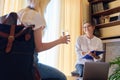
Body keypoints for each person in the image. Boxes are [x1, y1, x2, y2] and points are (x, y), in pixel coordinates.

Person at [17, 0, 70, 80]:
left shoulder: (19, 13)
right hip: (29, 64)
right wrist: (60, 41)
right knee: (61, 77)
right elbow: (39, 47)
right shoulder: (36, 16)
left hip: (14, 62)